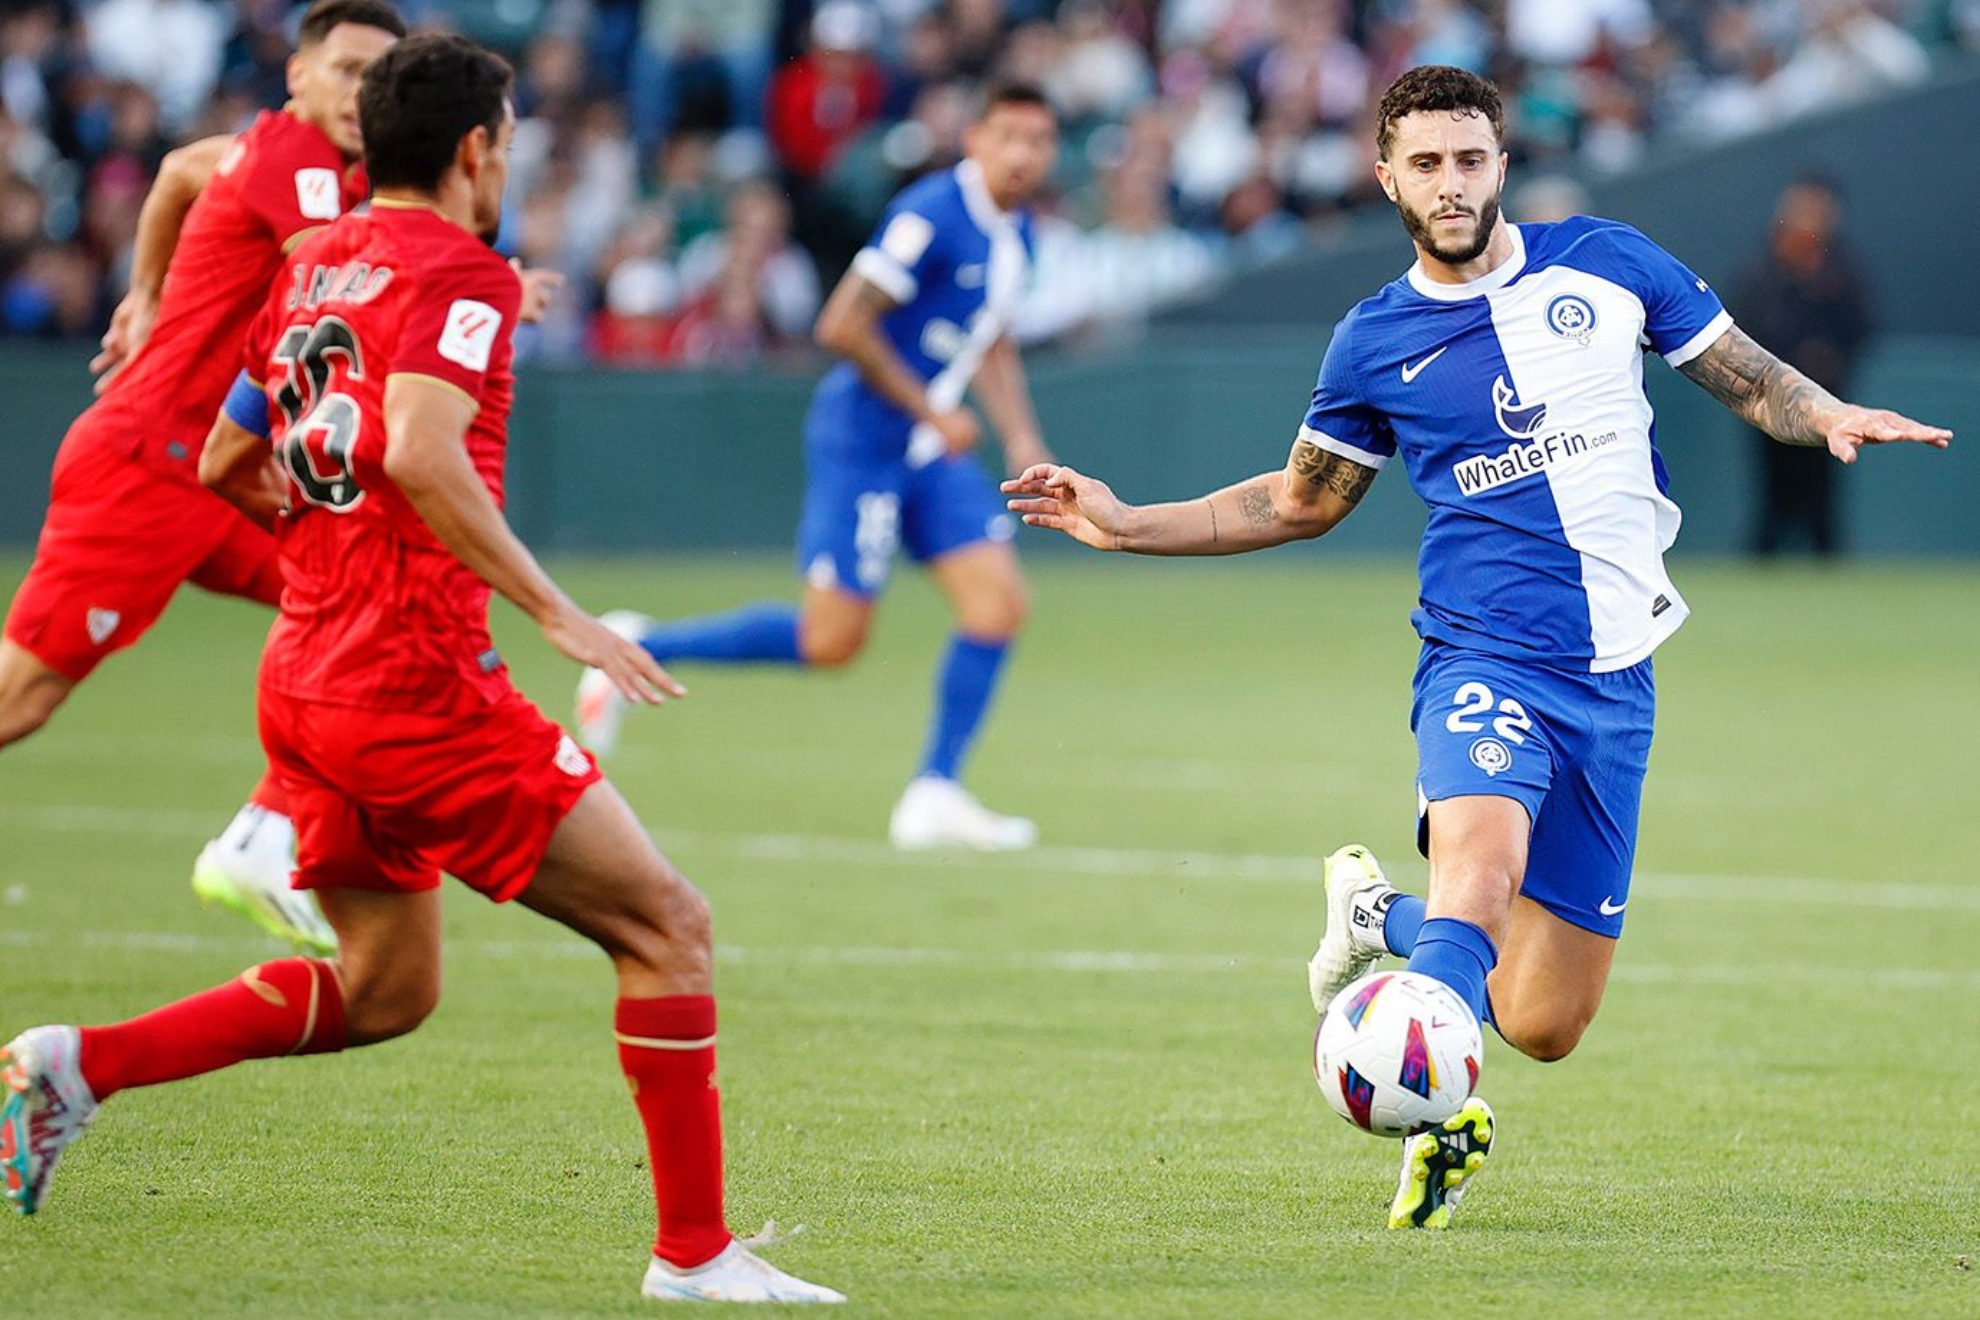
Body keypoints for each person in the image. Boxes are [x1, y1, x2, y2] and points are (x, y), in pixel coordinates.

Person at [1003, 65, 1949, 1230]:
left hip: (1616, 674)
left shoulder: (1607, 261)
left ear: (1500, 164)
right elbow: (1303, 501)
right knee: (1482, 880)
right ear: (1387, 177)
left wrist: (1827, 412)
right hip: (1482, 655)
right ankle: (1435, 1100)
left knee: (1546, 1022)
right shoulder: (1374, 342)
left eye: (1470, 159)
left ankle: (1376, 920)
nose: (1451, 185)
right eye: (1427, 164)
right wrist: (1126, 522)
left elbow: (1746, 376)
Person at [0, 34, 845, 1306]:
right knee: (668, 928)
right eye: (507, 138)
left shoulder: (307, 265)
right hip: (416, 691)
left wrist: (336, 541)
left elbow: (228, 463)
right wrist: (557, 612)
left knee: (386, 991)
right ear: (475, 148)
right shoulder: (467, 274)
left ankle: (73, 1063)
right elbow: (419, 447)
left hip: (305, 679)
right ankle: (693, 1255)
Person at [0, 0, 408, 953]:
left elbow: (182, 169)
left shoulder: (286, 154)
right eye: (345, 70)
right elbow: (338, 281)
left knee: (369, 603)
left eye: (378, 78)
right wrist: (477, 279)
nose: (361, 94)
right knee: (23, 697)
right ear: (298, 76)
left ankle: (264, 835)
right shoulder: (299, 166)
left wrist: (144, 293)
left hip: (218, 474)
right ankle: (267, 835)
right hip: (148, 470)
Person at [578, 83, 1060, 852]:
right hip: (864, 438)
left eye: (1038, 140)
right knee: (830, 642)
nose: (1023, 154)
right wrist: (932, 407)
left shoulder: (1020, 233)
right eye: (1008, 136)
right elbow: (841, 322)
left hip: (925, 453)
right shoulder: (931, 214)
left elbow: (991, 337)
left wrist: (1022, 437)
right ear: (974, 139)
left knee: (998, 605)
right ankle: (641, 643)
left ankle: (935, 791)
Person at [1735, 173, 1873, 557]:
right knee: (1773, 484)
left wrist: (1830, 357)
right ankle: (1765, 554)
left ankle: (1825, 554)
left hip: (1826, 395)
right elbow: (1744, 326)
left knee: (1823, 483)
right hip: (1770, 393)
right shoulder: (1764, 267)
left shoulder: (1843, 267)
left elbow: (1861, 325)